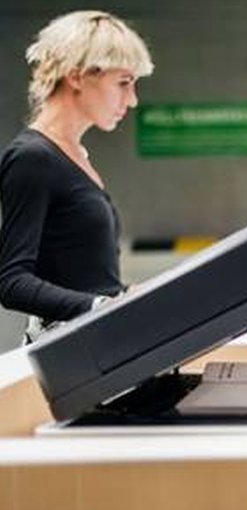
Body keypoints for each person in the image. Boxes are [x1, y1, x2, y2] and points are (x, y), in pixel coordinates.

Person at [0, 11, 153, 341]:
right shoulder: (32, 158)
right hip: (73, 356)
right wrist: (102, 306)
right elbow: (12, 281)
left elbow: (83, 276)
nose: (133, 100)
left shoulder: (77, 156)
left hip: (100, 342)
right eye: (124, 83)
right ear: (77, 76)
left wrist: (128, 297)